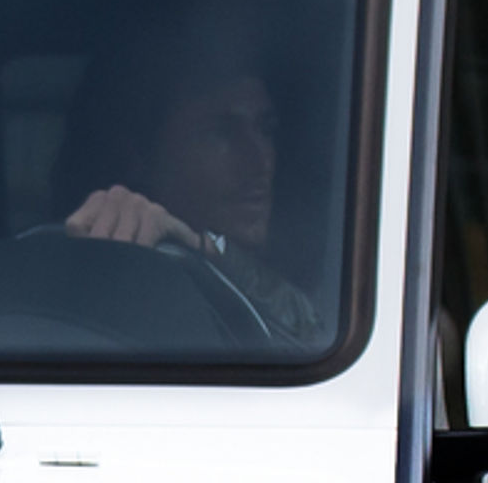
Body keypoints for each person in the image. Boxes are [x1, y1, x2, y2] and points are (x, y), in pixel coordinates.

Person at [58, 25, 326, 344]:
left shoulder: (308, 283)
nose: (260, 161)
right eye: (221, 133)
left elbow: (313, 337)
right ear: (138, 156)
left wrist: (205, 249)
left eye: (265, 130)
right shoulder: (63, 280)